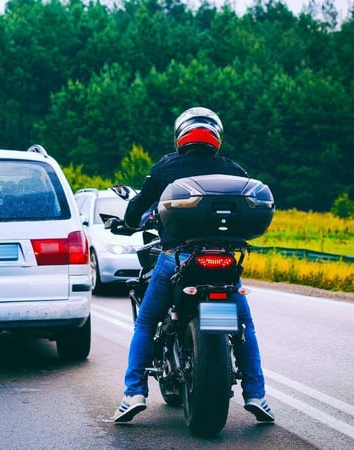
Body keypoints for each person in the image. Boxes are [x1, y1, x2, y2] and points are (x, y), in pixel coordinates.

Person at [112, 107, 275, 424]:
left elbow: (135, 212)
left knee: (146, 321)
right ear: (216, 136)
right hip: (225, 260)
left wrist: (128, 222)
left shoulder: (166, 167)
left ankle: (133, 393)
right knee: (244, 326)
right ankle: (256, 395)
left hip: (178, 256)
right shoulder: (232, 170)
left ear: (180, 135)